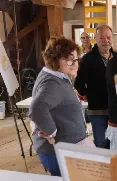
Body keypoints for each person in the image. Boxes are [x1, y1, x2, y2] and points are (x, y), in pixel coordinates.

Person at [29, 37, 87, 176]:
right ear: (55, 60)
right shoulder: (52, 82)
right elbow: (37, 108)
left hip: (63, 149)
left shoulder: (56, 77)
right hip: (57, 151)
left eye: (76, 59)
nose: (74, 64)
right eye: (69, 59)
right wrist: (51, 131)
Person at [74, 25, 117, 149]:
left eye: (108, 37)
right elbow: (78, 83)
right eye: (102, 38)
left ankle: (114, 167)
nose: (105, 41)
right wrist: (87, 94)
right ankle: (103, 168)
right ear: (96, 39)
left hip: (116, 109)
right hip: (97, 110)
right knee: (101, 142)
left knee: (115, 142)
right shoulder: (87, 59)